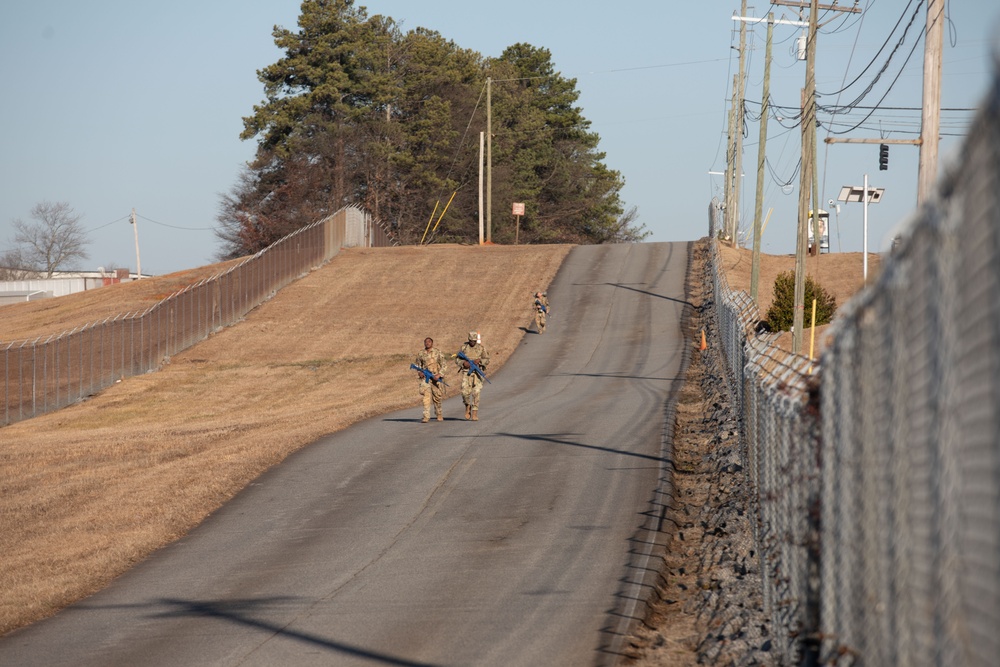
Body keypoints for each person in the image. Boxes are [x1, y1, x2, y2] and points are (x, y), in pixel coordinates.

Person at [456, 330, 489, 420]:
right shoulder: (464, 348)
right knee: (464, 392)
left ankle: (474, 412)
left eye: (474, 341)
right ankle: (467, 406)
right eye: (471, 341)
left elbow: (487, 359)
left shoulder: (481, 348)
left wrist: (480, 361)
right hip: (467, 373)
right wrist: (463, 363)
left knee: (476, 393)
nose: (472, 342)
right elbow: (457, 359)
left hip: (477, 373)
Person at [414, 337, 447, 423]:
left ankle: (439, 414)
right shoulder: (421, 353)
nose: (427, 343)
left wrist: (439, 374)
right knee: (426, 397)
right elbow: (418, 365)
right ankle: (426, 416)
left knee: (437, 398)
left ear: (432, 343)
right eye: (426, 342)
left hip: (436, 378)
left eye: (429, 342)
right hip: (426, 378)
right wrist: (420, 372)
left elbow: (444, 365)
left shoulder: (437, 352)